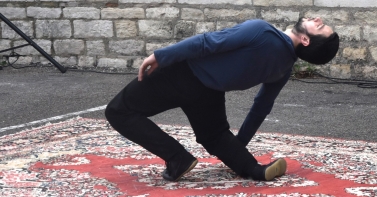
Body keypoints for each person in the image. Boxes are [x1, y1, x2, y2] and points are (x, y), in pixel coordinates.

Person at [105, 17, 339, 182]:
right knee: (215, 136)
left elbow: (208, 43)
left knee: (118, 111)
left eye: (321, 26)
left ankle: (177, 158)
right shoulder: (284, 68)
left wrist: (161, 55)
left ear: (306, 40)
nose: (318, 19)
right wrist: (240, 143)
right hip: (210, 92)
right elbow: (261, 107)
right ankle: (255, 170)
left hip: (180, 74)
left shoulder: (262, 31)